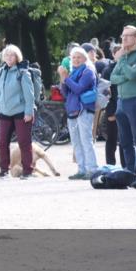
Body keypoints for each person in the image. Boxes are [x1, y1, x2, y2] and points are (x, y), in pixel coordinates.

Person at [110, 26, 136, 188]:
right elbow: (113, 78)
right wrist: (125, 75)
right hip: (122, 101)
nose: (124, 39)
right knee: (125, 141)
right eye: (123, 36)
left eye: (127, 36)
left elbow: (133, 75)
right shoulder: (125, 56)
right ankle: (130, 173)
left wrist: (122, 61)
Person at [0, 45, 36, 179]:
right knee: (2, 142)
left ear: (17, 57)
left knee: (24, 142)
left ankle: (28, 171)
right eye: (6, 55)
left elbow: (29, 94)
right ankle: (4, 171)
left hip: (21, 112)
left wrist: (29, 112)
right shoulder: (1, 71)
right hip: (4, 112)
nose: (9, 58)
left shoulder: (23, 72)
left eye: (12, 55)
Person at [58, 47, 98, 180]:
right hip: (72, 111)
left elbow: (79, 89)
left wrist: (66, 78)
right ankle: (81, 169)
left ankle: (92, 169)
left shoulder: (88, 72)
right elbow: (65, 93)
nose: (75, 60)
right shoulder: (72, 73)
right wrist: (63, 79)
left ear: (85, 59)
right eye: (73, 57)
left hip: (84, 110)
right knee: (76, 142)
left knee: (86, 140)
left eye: (78, 57)